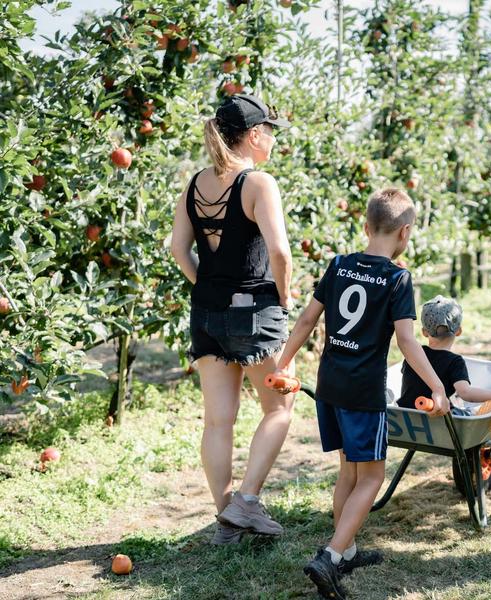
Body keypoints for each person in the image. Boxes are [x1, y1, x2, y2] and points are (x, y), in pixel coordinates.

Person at [271, 188, 448, 599]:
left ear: (366, 227)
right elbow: (407, 341)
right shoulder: (398, 278)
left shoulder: (338, 265)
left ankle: (346, 550)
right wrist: (437, 385)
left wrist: (283, 363)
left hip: (330, 385)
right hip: (363, 392)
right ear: (405, 232)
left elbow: (306, 321)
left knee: (349, 471)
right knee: (371, 476)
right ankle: (330, 556)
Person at [169, 94, 294, 545]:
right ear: (255, 135)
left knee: (218, 421)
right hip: (254, 311)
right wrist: (284, 296)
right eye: (271, 131)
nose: (274, 140)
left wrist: (207, 285)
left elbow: (178, 249)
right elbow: (280, 253)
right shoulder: (258, 183)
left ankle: (226, 520)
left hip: (206, 312)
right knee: (279, 408)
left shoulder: (195, 184)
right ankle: (246, 502)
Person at [396, 295, 491, 415]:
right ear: (458, 331)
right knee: (471, 413)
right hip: (437, 416)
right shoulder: (454, 361)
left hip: (404, 413)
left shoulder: (414, 354)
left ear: (424, 332)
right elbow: (466, 393)